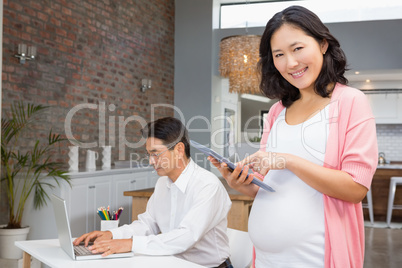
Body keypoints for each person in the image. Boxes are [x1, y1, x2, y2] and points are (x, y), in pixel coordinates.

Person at [210, 5, 377, 268]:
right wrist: (241, 183)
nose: (290, 63)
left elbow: (355, 189)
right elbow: (270, 187)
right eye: (279, 54)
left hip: (316, 258)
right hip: (265, 259)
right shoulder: (277, 111)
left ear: (322, 44)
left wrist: (288, 160)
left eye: (297, 48)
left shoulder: (350, 102)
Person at [74, 117, 233, 268]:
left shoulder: (207, 185)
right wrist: (112, 234)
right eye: (149, 154)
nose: (151, 161)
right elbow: (147, 224)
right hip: (172, 263)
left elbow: (186, 237)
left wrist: (130, 244)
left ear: (179, 150)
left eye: (156, 153)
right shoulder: (162, 183)